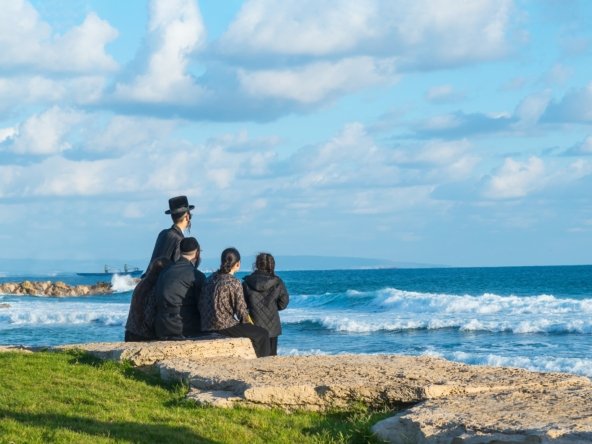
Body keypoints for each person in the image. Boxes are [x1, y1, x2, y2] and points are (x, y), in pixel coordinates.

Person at [199, 248, 270, 358]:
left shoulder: (208, 279)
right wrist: (249, 324)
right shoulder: (234, 282)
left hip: (206, 325)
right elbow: (241, 311)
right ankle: (262, 362)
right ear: (237, 264)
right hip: (224, 327)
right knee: (262, 334)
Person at [154, 237, 205, 339]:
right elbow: (203, 305)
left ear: (180, 251)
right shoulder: (196, 275)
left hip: (161, 326)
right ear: (197, 253)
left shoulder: (165, 271)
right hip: (183, 328)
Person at [242, 253, 289, 356]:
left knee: (257, 355)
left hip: (254, 324)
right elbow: (283, 303)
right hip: (273, 325)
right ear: (272, 265)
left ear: (257, 264)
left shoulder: (247, 282)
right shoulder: (277, 282)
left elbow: (242, 304)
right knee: (272, 356)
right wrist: (272, 307)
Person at [124, 256, 171, 342]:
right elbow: (150, 316)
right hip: (144, 336)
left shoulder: (142, 283)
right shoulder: (155, 289)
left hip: (130, 332)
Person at [147, 196, 195, 269]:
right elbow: (178, 269)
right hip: (163, 279)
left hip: (149, 279)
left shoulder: (162, 233)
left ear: (172, 216)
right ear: (187, 217)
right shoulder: (180, 240)